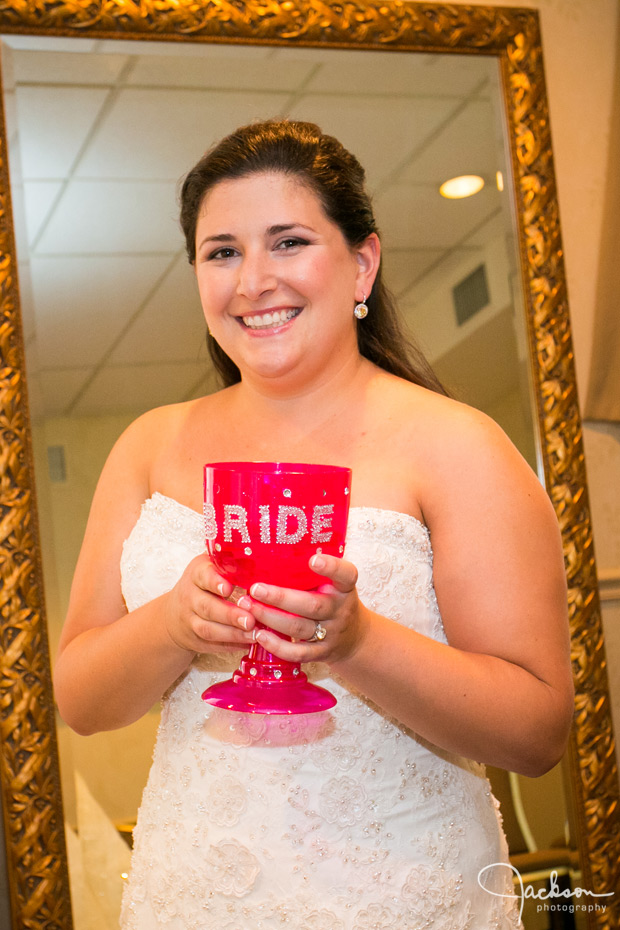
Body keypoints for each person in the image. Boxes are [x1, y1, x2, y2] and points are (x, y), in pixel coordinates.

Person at [54, 119, 574, 930]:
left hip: (397, 895)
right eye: (221, 252)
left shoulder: (457, 446)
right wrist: (174, 623)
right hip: (193, 889)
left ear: (362, 261)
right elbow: (81, 698)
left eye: (287, 242)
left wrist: (357, 641)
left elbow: (537, 733)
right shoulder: (149, 444)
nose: (253, 280)